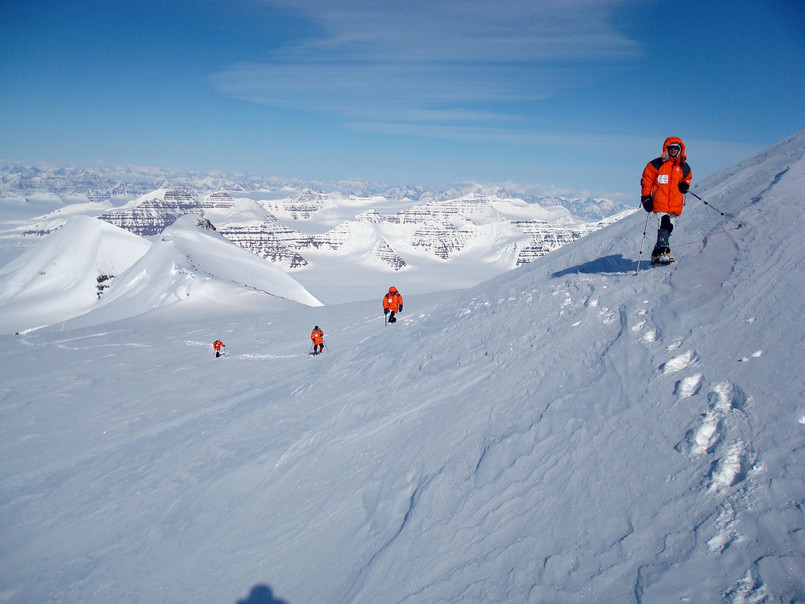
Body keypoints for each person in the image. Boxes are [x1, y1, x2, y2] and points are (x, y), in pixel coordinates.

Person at [641, 137, 692, 264]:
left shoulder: (683, 167)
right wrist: (646, 197)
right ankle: (664, 250)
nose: (673, 150)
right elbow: (646, 180)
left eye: (676, 148)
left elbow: (687, 178)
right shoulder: (656, 164)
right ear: (666, 149)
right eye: (671, 148)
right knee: (664, 222)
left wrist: (685, 185)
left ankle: (657, 251)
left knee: (669, 227)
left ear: (680, 149)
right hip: (660, 200)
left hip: (676, 202)